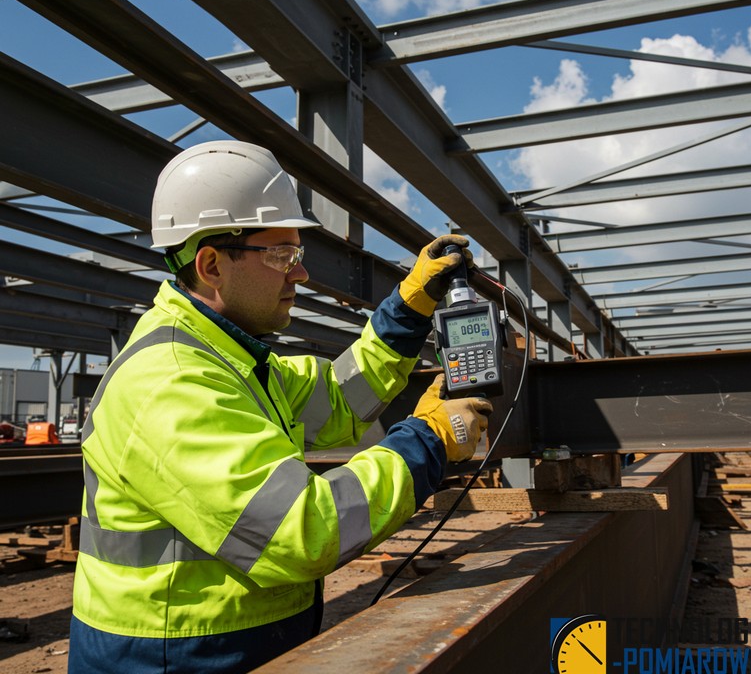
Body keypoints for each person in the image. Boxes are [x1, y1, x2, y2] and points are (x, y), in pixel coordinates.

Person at [69, 140, 492, 674]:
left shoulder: (233, 361)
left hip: (221, 645)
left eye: (298, 254)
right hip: (170, 658)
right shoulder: (171, 382)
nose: (301, 274)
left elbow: (341, 397)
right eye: (281, 256)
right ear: (211, 265)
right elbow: (302, 530)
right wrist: (428, 441)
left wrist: (408, 310)